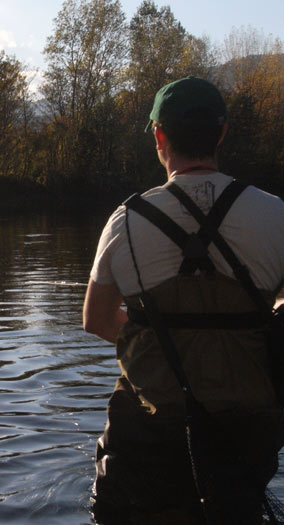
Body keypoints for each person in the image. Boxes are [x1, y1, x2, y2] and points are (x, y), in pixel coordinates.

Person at [83, 76, 284, 523]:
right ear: (222, 132)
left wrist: (158, 337)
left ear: (160, 137)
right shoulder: (277, 215)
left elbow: (96, 320)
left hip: (148, 435)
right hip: (243, 435)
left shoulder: (124, 220)